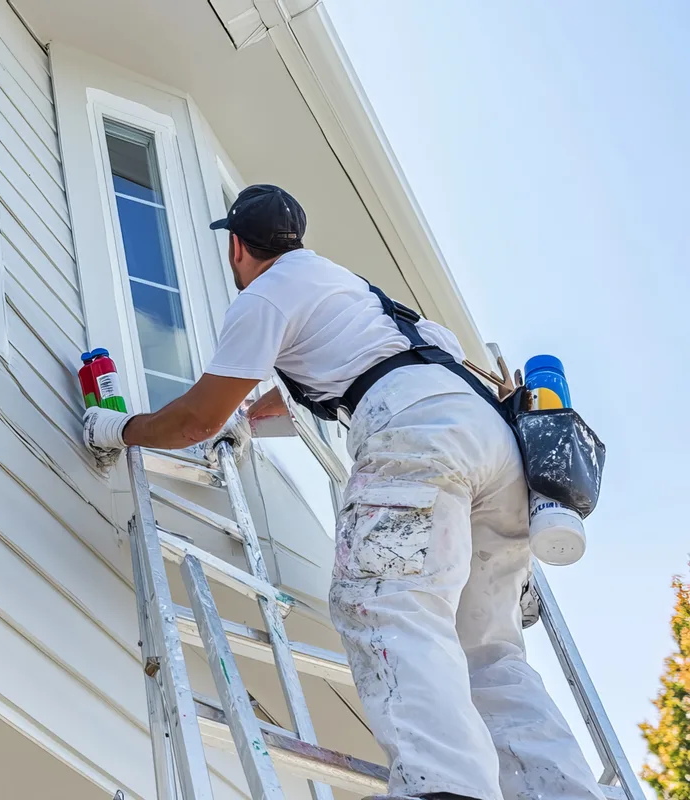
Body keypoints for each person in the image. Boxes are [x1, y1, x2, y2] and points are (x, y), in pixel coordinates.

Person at [82, 184, 604, 800]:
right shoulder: (345, 287)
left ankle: (445, 789)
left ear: (236, 248)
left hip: (418, 438)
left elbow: (197, 418)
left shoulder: (266, 296)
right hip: (495, 446)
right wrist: (251, 415)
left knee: (388, 602)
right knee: (488, 653)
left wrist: (120, 429)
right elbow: (346, 373)